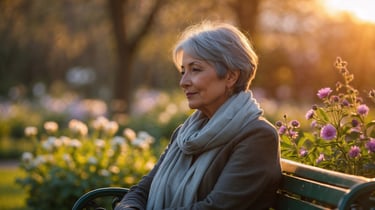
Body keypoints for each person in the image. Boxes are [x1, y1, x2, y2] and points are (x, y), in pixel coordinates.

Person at [115, 21, 282, 210]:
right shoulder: (185, 134)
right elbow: (142, 190)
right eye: (183, 71)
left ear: (230, 76)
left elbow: (216, 208)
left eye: (195, 69)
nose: (183, 82)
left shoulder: (257, 136)